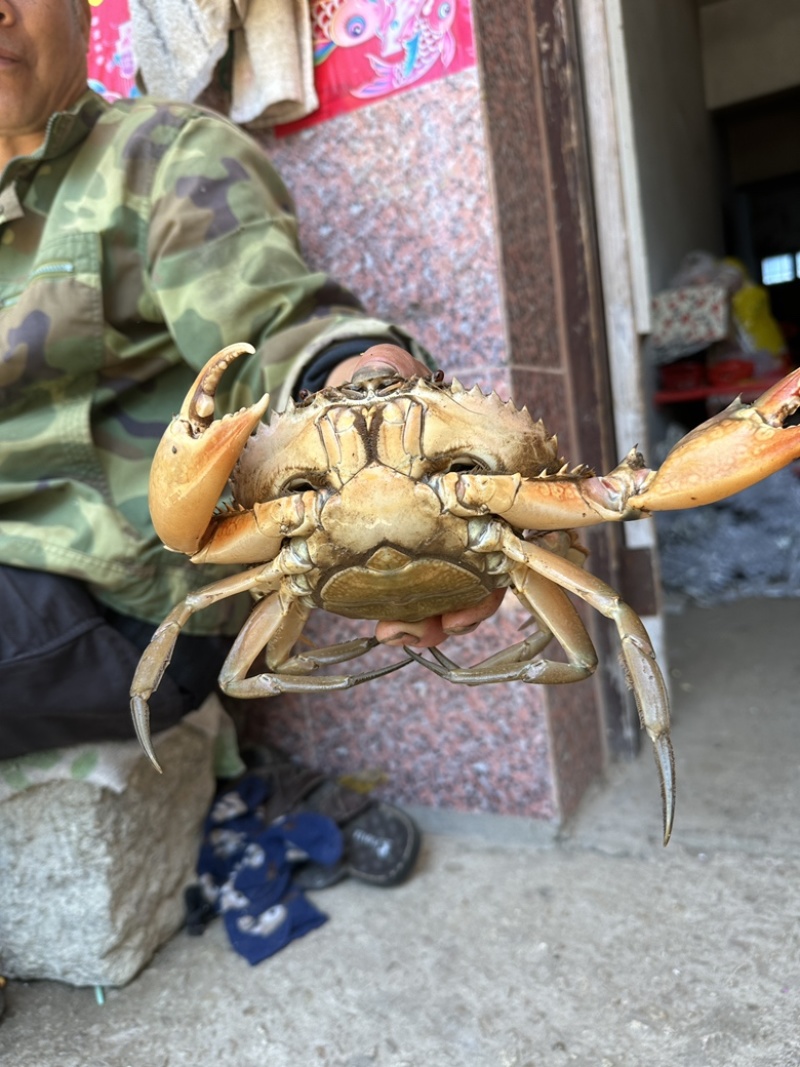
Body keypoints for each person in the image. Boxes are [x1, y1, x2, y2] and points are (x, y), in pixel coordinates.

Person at [0, 0, 502, 761]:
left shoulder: (164, 155)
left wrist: (360, 375)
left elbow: (275, 325)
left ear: (82, 11)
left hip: (114, 602)